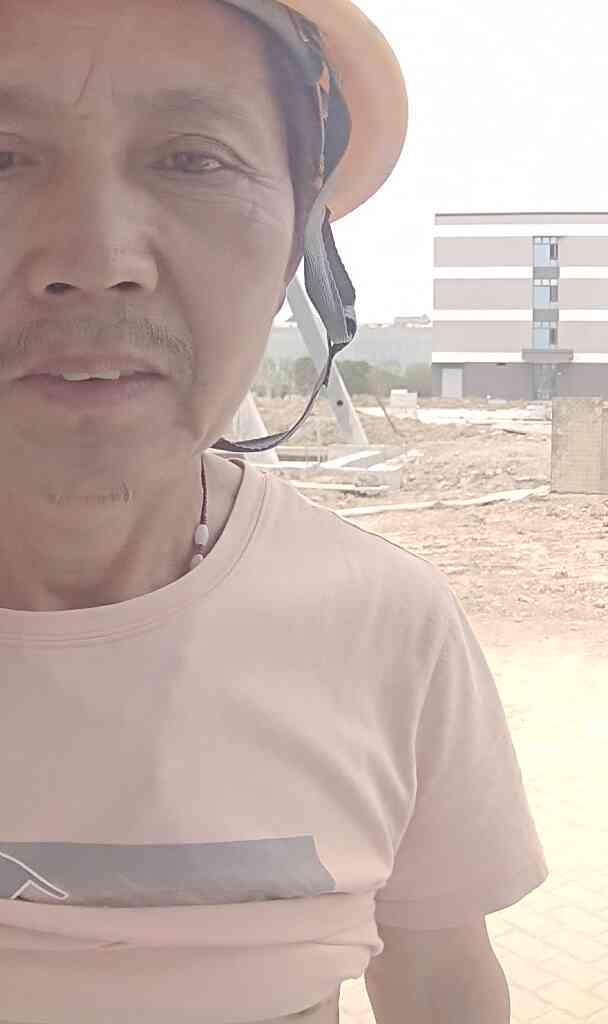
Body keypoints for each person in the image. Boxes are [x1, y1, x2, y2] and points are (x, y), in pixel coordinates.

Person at [0, 1, 548, 1022]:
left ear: (300, 248)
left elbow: (440, 982)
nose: (96, 255)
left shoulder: (386, 627)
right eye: (1, 158)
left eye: (193, 160)